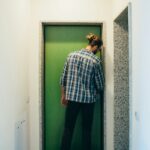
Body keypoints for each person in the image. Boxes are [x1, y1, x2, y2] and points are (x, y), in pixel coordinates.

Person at [60, 33, 104, 150]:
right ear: (95, 47)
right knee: (86, 129)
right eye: (99, 50)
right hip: (88, 101)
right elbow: (100, 84)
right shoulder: (95, 61)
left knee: (68, 128)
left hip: (72, 99)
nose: (98, 52)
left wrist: (63, 95)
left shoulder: (71, 56)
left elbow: (63, 78)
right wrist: (98, 92)